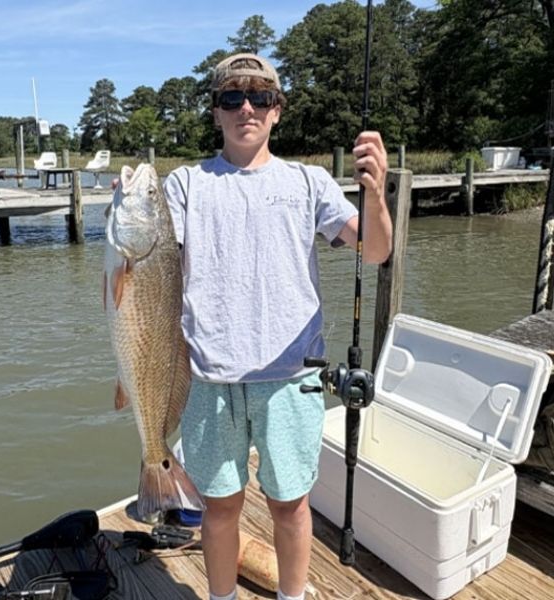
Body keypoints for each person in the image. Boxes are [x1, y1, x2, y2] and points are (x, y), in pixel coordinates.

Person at [162, 53, 392, 600]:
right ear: (215, 112)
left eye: (260, 97)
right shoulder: (184, 185)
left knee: (290, 505)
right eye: (231, 98)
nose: (247, 107)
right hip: (208, 378)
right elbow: (148, 263)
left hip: (291, 377)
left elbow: (377, 250)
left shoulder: (308, 182)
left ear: (277, 111)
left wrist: (376, 192)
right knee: (220, 509)